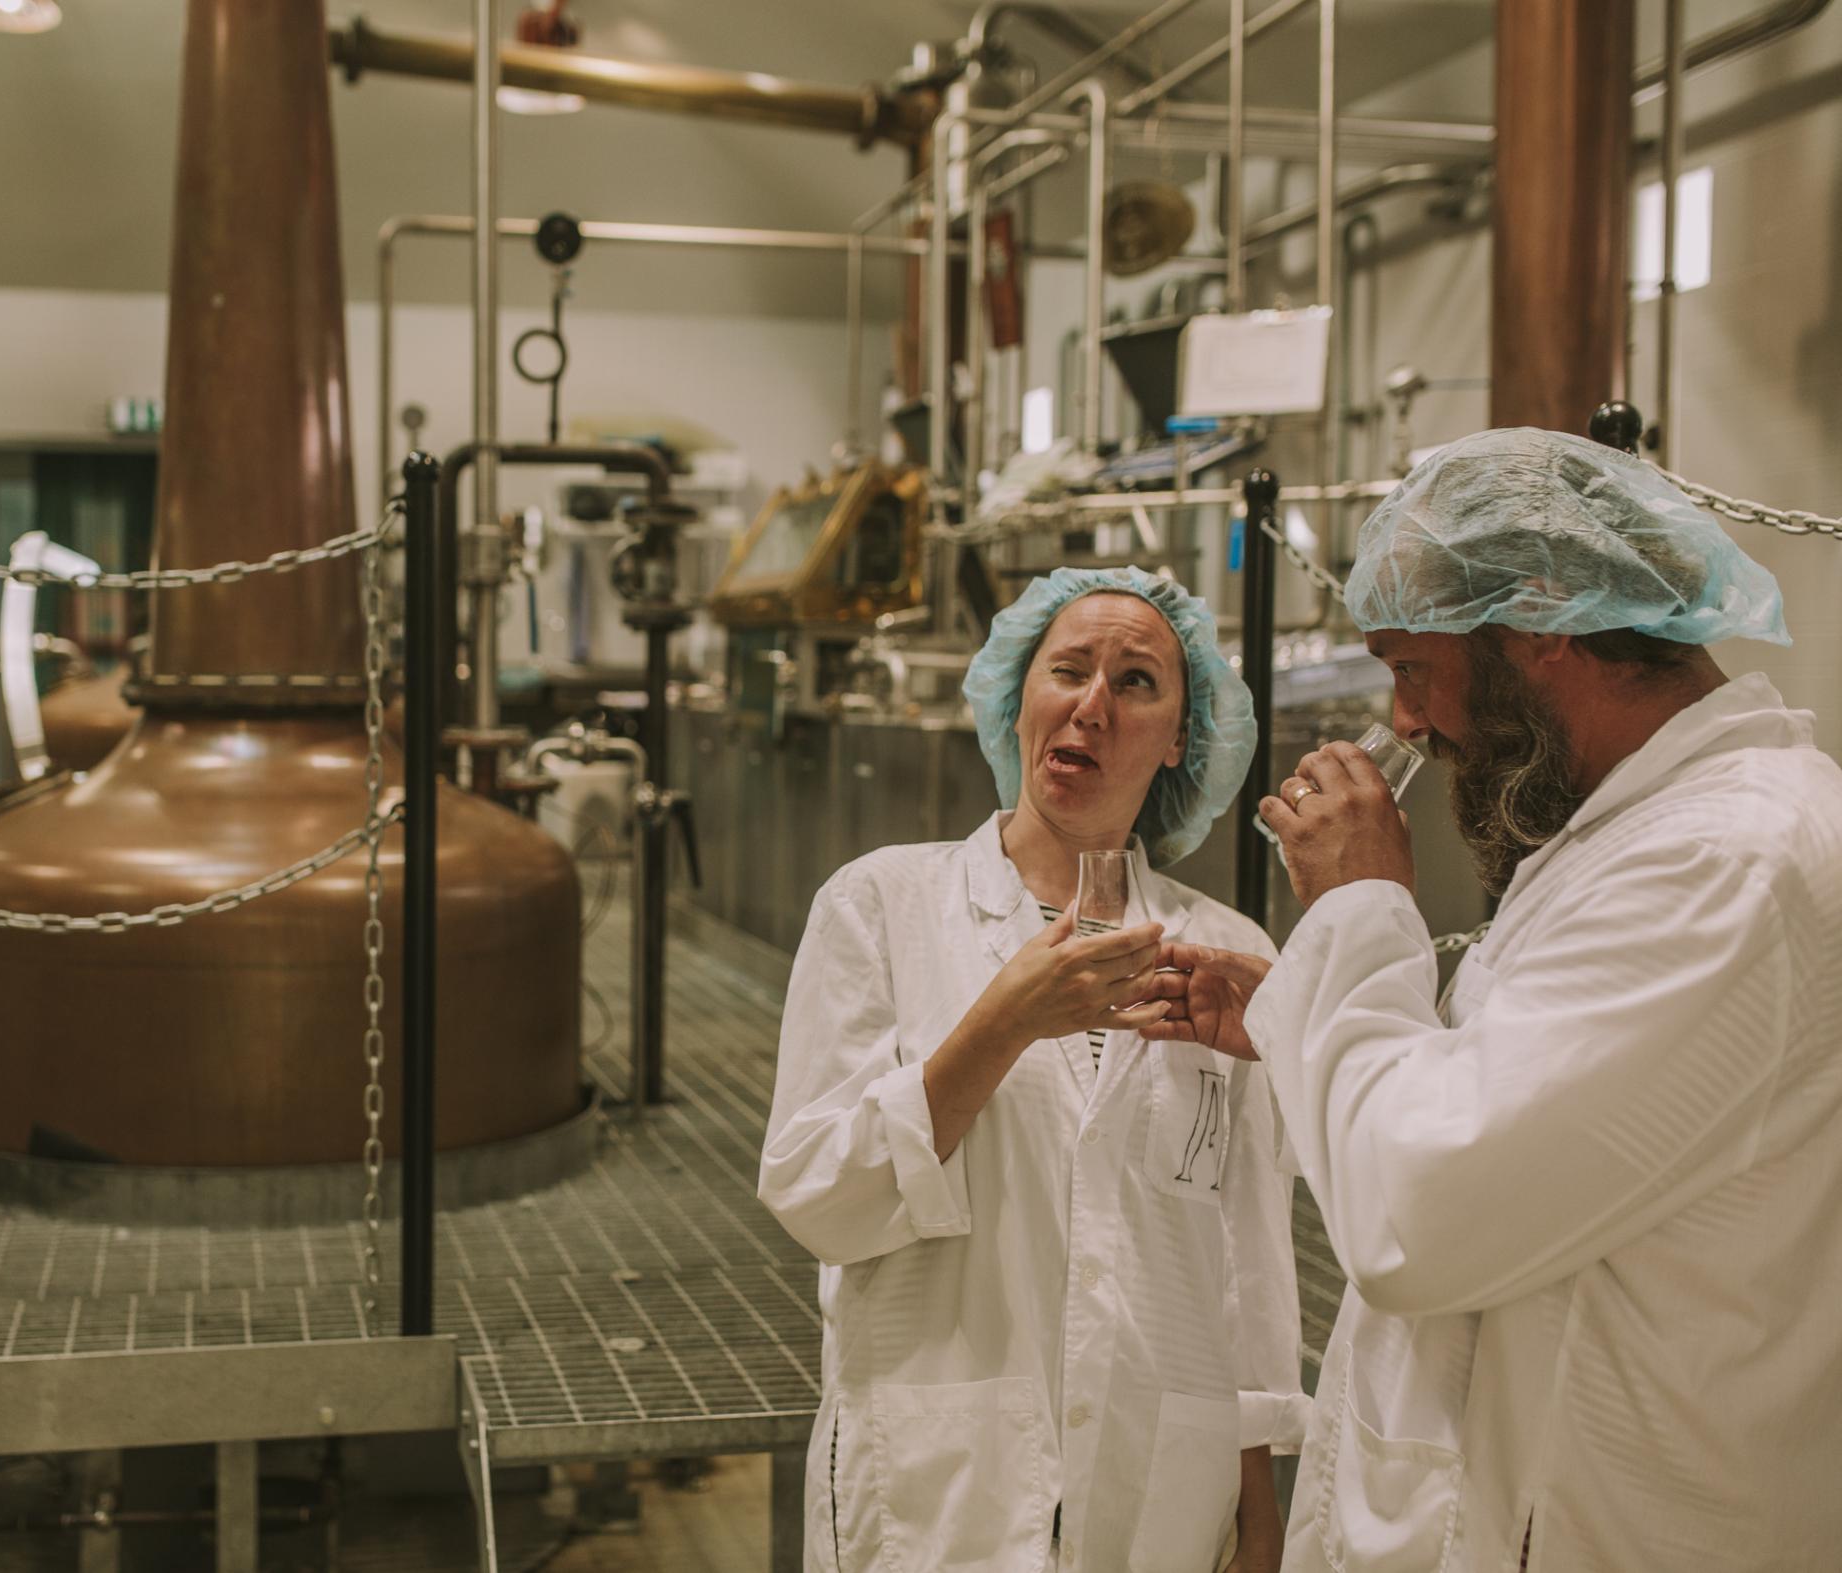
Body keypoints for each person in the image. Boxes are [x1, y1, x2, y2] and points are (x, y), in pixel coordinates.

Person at [1145, 427, 1842, 1571]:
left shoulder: (1723, 862)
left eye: (1410, 667)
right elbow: (1527, 1116)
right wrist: (1299, 1017)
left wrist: (1356, 909)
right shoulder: (1639, 832)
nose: (1407, 724)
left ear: (1541, 629)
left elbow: (1418, 1215)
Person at [760, 567, 1307, 1573]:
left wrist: (1258, 1505)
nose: (1091, 705)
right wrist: (1000, 1026)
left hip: (1157, 1487)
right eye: (1067, 670)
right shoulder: (882, 904)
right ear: (1019, 700)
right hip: (944, 1476)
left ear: (1179, 738)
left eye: (1135, 681)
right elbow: (814, 1194)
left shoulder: (1222, 951)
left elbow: (1247, 1256)